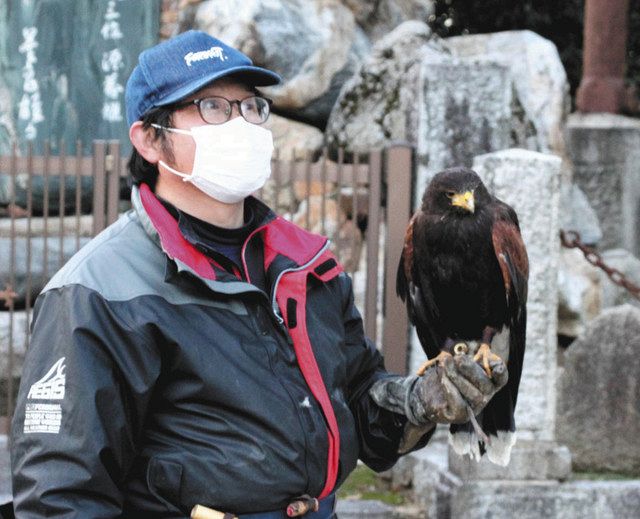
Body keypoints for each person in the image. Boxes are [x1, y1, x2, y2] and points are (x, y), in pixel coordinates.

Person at [10, 31, 507, 518]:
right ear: (149, 140)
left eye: (250, 106)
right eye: (213, 108)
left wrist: (419, 401)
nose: (241, 124)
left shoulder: (307, 265)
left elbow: (356, 401)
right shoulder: (98, 291)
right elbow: (61, 497)